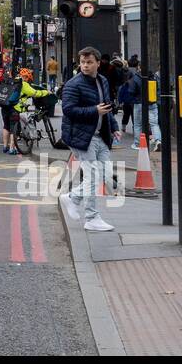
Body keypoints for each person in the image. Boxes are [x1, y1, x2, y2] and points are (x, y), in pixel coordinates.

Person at [59, 47, 118, 232]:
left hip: (101, 135)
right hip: (82, 136)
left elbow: (106, 106)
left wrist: (114, 127)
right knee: (92, 177)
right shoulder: (73, 84)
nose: (85, 65)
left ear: (98, 63)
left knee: (104, 176)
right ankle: (91, 217)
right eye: (82, 62)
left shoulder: (103, 81)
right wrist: (94, 111)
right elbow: (68, 109)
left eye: (89, 62)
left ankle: (73, 199)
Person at [1, 72, 50, 154]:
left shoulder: (11, 81)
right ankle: (12, 149)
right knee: (14, 129)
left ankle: (5, 147)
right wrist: (46, 92)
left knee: (6, 126)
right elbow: (35, 93)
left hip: (5, 106)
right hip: (15, 108)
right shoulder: (23, 84)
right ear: (27, 78)